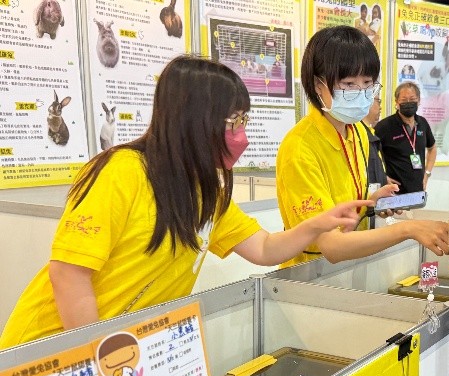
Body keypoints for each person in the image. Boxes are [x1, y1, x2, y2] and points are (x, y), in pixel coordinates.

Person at [0, 56, 372, 349]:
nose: (241, 137)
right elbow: (69, 274)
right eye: (234, 123)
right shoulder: (122, 171)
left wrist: (316, 224)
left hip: (121, 354)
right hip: (54, 350)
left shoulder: (205, 190)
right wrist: (98, 357)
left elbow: (263, 248)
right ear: (195, 121)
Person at [276, 25, 449, 268]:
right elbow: (331, 245)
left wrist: (370, 203)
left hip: (352, 269)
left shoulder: (357, 130)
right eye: (348, 84)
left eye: (368, 83)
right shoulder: (299, 148)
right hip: (309, 275)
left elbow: (345, 209)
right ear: (317, 85)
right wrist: (408, 229)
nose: (360, 93)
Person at [375, 81, 437, 193]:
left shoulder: (422, 123)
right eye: (404, 100)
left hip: (418, 190)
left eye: (412, 99)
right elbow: (369, 154)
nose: (408, 103)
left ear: (419, 100)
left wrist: (427, 173)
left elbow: (432, 148)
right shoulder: (384, 126)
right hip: (393, 193)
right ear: (397, 102)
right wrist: (383, 177)